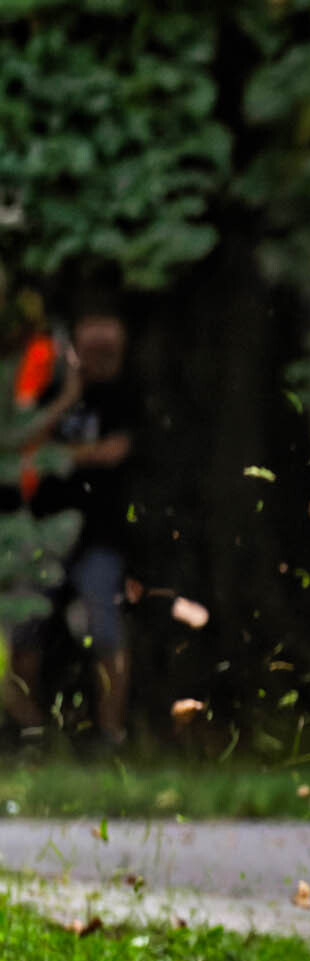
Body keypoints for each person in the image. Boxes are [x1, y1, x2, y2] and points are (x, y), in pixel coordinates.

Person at [3, 307, 140, 749]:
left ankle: (111, 734)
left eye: (107, 345)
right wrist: (66, 397)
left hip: (99, 536)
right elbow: (21, 441)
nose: (98, 352)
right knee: (25, 630)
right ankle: (29, 731)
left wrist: (58, 455)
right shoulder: (50, 390)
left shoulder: (124, 394)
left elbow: (114, 451)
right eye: (91, 344)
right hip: (41, 532)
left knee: (105, 628)